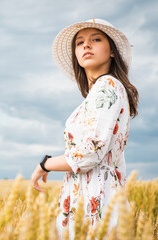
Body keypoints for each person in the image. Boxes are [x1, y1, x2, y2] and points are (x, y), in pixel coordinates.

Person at [31, 18, 139, 239]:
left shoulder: (108, 86)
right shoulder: (98, 93)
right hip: (89, 198)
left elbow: (91, 152)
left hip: (96, 202)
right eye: (79, 43)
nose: (86, 45)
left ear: (112, 52)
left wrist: (45, 164)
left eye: (95, 39)